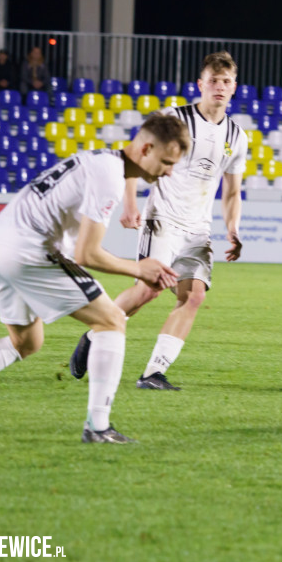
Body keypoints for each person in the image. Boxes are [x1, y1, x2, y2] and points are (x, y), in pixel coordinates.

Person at [0, 115, 192, 443]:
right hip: (27, 250)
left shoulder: (100, 160)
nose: (169, 171)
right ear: (145, 148)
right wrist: (139, 268)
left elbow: (77, 246)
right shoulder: (110, 176)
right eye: (167, 162)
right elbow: (88, 254)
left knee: (26, 342)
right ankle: (98, 428)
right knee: (112, 320)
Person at [69, 51, 248, 391]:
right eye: (213, 81)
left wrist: (233, 229)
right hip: (163, 219)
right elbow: (136, 154)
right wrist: (130, 202)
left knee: (193, 296)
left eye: (226, 82)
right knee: (148, 290)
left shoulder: (237, 136)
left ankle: (153, 373)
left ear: (234, 87)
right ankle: (94, 334)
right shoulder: (174, 119)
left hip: (198, 228)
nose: (219, 88)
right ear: (201, 84)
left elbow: (232, 191)